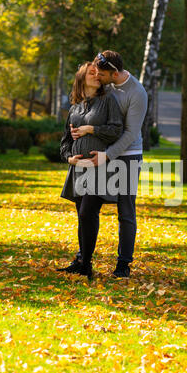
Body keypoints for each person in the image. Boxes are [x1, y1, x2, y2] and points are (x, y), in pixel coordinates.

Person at [70, 51, 148, 278]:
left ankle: (123, 264)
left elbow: (131, 132)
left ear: (113, 73)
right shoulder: (106, 86)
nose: (98, 76)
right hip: (101, 154)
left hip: (128, 154)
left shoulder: (137, 93)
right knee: (88, 207)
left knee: (125, 210)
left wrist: (108, 156)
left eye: (101, 74)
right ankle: (82, 257)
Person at [57, 62, 123, 280]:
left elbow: (116, 130)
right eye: (91, 73)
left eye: (98, 73)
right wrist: (69, 158)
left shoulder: (107, 101)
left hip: (99, 167)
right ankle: (81, 262)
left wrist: (91, 129)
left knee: (88, 213)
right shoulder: (75, 105)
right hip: (79, 168)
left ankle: (85, 264)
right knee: (81, 216)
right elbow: (66, 140)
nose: (96, 75)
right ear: (81, 78)